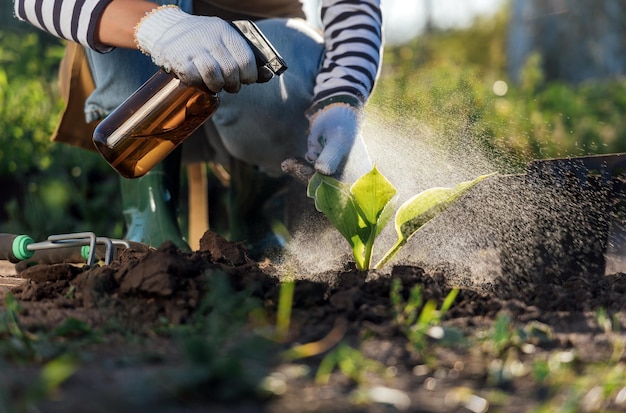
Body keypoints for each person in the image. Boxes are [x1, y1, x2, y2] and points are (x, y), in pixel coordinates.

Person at [13, 0, 383, 258]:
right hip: (138, 100)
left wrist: (340, 97)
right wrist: (156, 26)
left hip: (254, 82)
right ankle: (150, 218)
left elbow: (354, 6)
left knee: (291, 47)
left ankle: (253, 212)